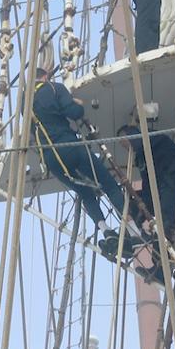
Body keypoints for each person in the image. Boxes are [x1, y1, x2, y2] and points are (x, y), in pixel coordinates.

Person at [31, 69, 134, 252]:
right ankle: (134, 232)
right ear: (45, 76)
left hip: (51, 160)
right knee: (109, 184)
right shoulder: (54, 88)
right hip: (69, 146)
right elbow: (74, 112)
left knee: (85, 193)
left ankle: (106, 231)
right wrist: (77, 105)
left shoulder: (26, 104)